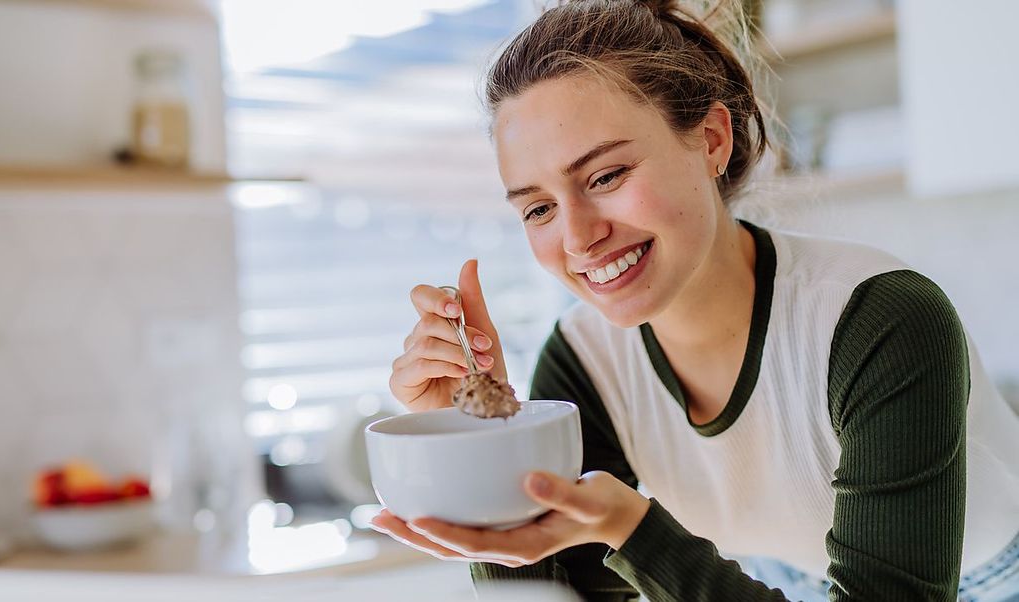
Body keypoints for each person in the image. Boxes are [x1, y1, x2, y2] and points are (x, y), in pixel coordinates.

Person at [375, 0, 1019, 600]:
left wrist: (635, 531)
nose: (578, 237)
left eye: (607, 176)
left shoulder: (878, 319)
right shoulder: (584, 361)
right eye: (539, 207)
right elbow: (562, 590)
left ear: (712, 140)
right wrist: (477, 442)